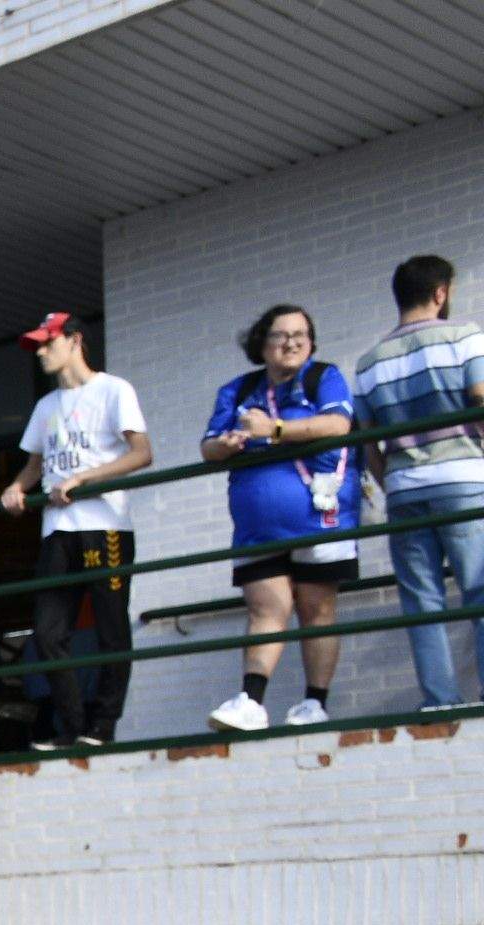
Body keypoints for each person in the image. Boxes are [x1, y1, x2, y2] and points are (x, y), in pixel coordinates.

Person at [200, 305, 359, 733]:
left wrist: (274, 430)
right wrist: (231, 443)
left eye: (301, 334)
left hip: (320, 517)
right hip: (258, 526)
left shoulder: (323, 377)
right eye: (280, 334)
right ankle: (251, 700)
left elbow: (338, 424)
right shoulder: (236, 390)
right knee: (266, 608)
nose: (291, 342)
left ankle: (314, 703)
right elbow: (208, 447)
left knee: (316, 609)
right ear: (261, 343)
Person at [0, 312, 154, 749]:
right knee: (47, 633)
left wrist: (86, 479)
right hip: (57, 529)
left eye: (48, 344)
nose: (42, 353)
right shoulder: (45, 406)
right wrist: (14, 488)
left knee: (111, 629)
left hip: (104, 525)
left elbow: (142, 453)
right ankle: (73, 726)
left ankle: (102, 726)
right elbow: (34, 465)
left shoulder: (113, 389)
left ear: (74, 341)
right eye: (38, 347)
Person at [352, 254, 484, 710]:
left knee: (422, 602)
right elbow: (481, 401)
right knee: (480, 590)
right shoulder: (464, 338)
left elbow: (369, 445)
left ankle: (440, 699)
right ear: (441, 292)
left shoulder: (368, 363)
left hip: (405, 489)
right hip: (465, 481)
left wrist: (393, 484)